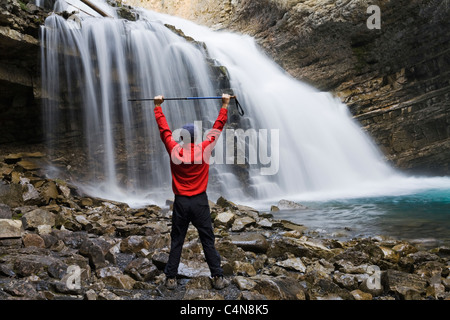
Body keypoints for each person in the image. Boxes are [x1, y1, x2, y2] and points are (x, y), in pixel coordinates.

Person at [153, 93, 231, 290]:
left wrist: (157, 106)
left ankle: (171, 278)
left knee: (177, 240)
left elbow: (164, 130)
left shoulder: (173, 149)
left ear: (181, 138)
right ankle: (218, 277)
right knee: (207, 240)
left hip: (181, 202)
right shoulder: (204, 148)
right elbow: (218, 127)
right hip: (199, 202)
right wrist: (225, 104)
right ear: (197, 138)